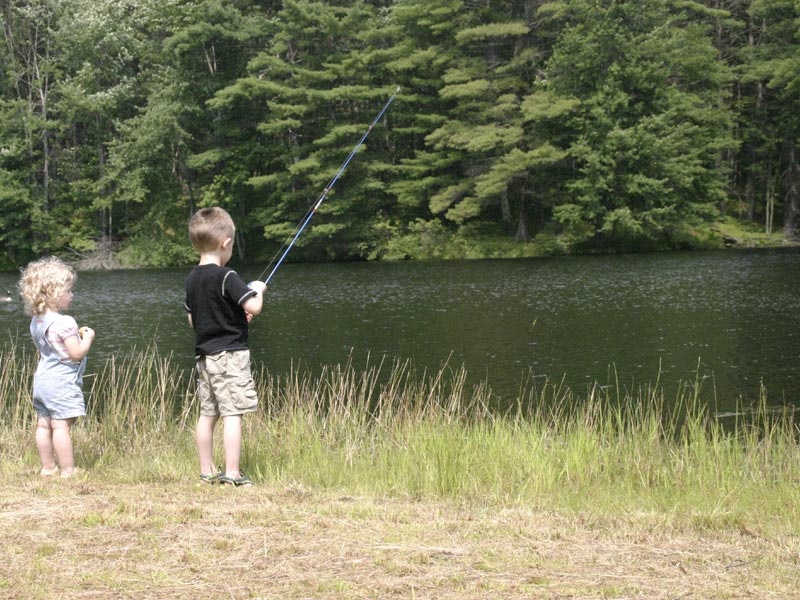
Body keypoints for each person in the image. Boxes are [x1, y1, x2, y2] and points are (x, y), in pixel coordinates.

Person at [184, 207, 267, 487]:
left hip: (205, 357)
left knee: (208, 413)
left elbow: (193, 319)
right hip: (230, 356)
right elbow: (253, 306)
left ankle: (206, 470)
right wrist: (258, 289)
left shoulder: (192, 278)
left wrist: (230, 314)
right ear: (226, 243)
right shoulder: (227, 276)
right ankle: (232, 474)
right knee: (233, 413)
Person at [18, 257, 95, 478]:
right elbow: (76, 353)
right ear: (53, 293)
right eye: (68, 291)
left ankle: (47, 467)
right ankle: (68, 470)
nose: (72, 295)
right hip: (60, 382)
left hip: (42, 379)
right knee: (61, 426)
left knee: (44, 425)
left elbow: (47, 349)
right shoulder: (65, 322)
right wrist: (87, 337)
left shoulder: (37, 321)